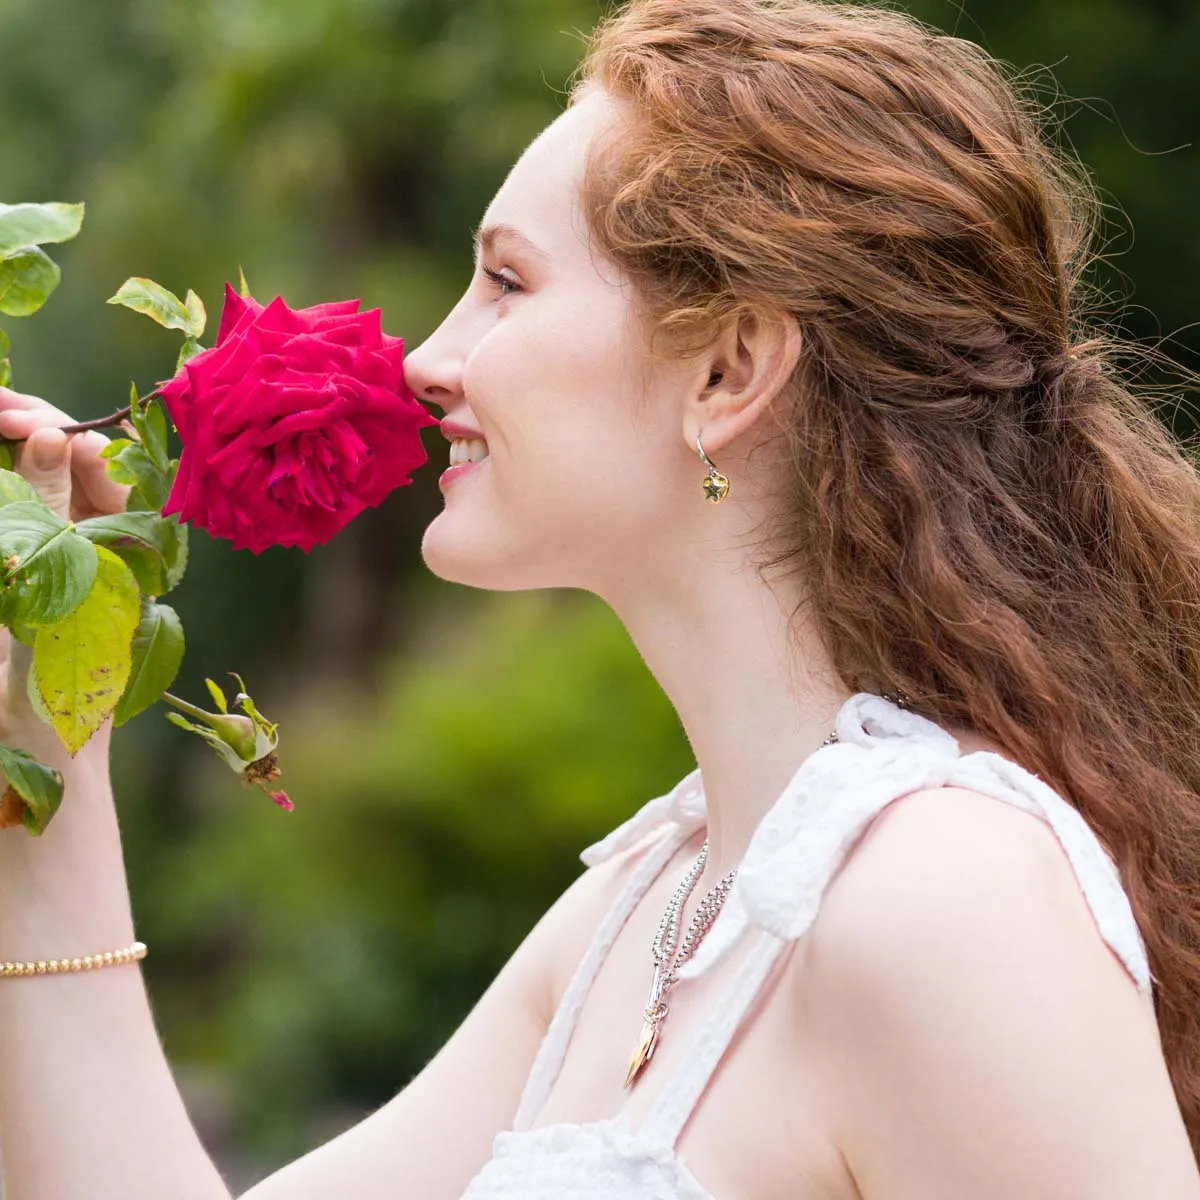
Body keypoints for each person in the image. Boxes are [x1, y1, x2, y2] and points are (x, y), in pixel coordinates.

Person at [2, 0, 1199, 1195]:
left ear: (728, 369)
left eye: (506, 281)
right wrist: (48, 737)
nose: (427, 358)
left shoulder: (946, 898)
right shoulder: (650, 907)